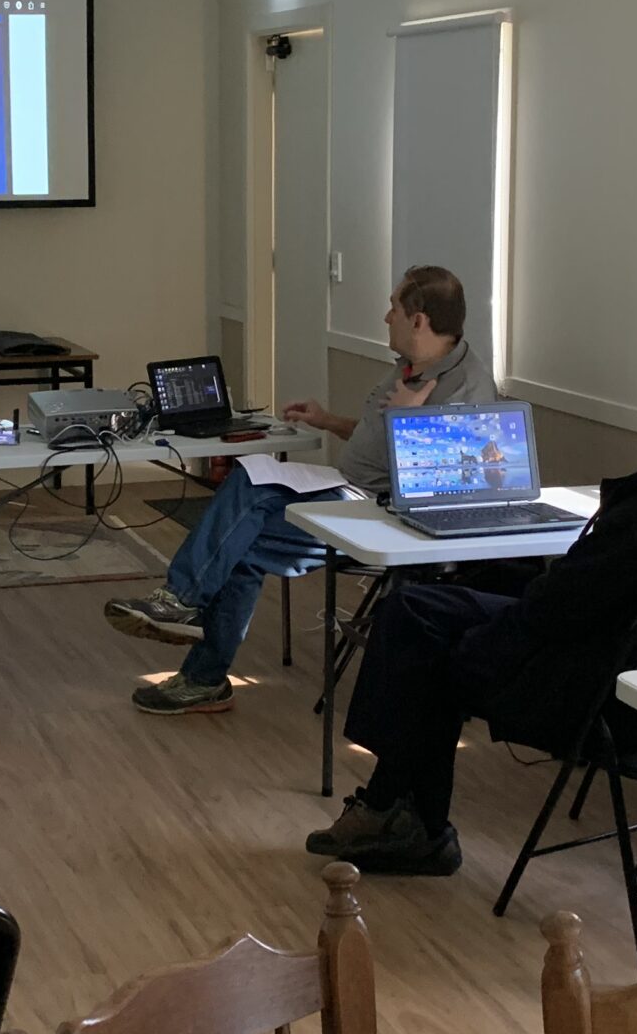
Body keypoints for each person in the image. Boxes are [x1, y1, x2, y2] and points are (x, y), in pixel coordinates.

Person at [309, 344, 637, 875]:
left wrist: (481, 646)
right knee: (444, 605)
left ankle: (404, 818)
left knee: (415, 619)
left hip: (609, 704)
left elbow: (551, 613)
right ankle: (398, 810)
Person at [105, 265, 498, 716]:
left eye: (393, 307)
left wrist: (406, 419)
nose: (385, 316)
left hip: (386, 520)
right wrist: (328, 421)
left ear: (418, 320)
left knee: (241, 524)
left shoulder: (467, 388)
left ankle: (186, 623)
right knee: (244, 507)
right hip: (351, 494)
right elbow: (376, 441)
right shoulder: (410, 369)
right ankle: (197, 661)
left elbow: (445, 487)